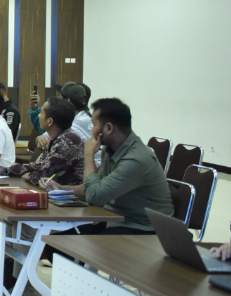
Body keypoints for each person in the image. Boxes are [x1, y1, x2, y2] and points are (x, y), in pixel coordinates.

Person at [44, 98, 173, 232]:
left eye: (94, 125)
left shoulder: (136, 160)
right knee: (55, 241)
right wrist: (62, 189)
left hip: (142, 228)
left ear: (108, 128)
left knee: (68, 243)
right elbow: (93, 187)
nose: (92, 130)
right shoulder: (111, 149)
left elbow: (94, 197)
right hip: (114, 220)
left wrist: (88, 154)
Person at [4, 97, 84, 187]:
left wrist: (26, 175)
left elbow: (43, 176)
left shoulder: (67, 141)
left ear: (50, 121)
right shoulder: (56, 138)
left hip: (68, 195)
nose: (38, 116)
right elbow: (36, 166)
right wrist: (5, 170)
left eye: (41, 113)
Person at [31, 82, 93, 148]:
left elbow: (56, 133)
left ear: (67, 101)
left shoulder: (78, 122)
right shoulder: (78, 117)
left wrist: (41, 137)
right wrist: (40, 138)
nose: (57, 99)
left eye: (59, 96)